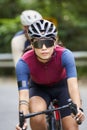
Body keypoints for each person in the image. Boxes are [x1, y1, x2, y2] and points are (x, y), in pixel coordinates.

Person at [15, 19, 85, 130]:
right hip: (39, 89)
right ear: (32, 44)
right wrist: (22, 120)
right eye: (38, 43)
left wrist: (78, 109)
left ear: (55, 42)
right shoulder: (23, 62)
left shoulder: (65, 55)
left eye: (48, 42)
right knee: (37, 117)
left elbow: (73, 87)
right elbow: (23, 96)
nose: (44, 48)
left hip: (62, 87)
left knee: (71, 127)